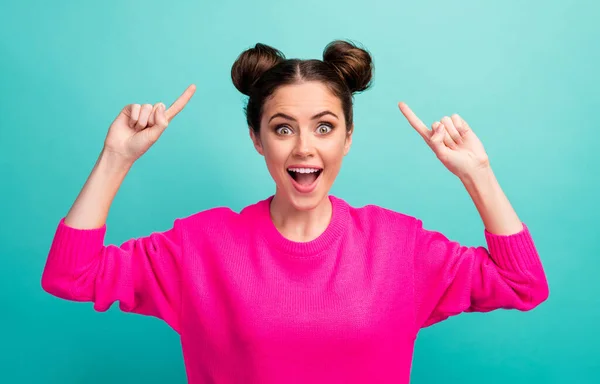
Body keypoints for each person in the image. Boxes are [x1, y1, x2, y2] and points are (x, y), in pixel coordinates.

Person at [41, 40, 549, 384]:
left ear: (348, 138)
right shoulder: (200, 245)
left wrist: (476, 173)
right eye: (283, 128)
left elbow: (524, 284)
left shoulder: (399, 245)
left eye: (324, 127)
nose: (304, 148)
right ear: (256, 141)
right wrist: (116, 157)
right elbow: (70, 275)